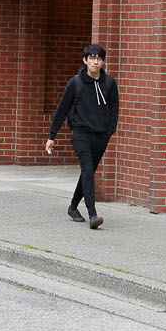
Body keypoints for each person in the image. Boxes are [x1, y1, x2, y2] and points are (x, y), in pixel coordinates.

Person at [45, 43, 118, 229]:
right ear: (85, 60)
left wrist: (109, 132)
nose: (95, 62)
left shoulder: (109, 83)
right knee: (87, 169)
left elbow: (114, 110)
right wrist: (52, 136)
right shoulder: (76, 83)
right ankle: (93, 214)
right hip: (81, 134)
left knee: (88, 172)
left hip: (101, 135)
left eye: (99, 59)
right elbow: (62, 110)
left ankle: (73, 207)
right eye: (92, 58)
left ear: (103, 62)